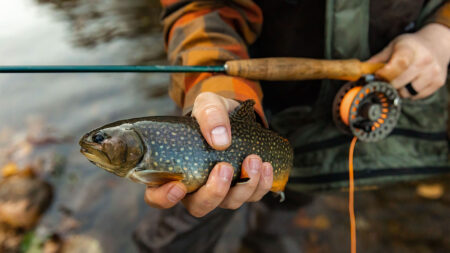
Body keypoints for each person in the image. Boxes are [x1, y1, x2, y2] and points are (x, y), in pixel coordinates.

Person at [133, 1, 450, 252]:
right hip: (232, 108)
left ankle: (264, 239)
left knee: (283, 208)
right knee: (188, 217)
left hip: (335, 129)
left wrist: (441, 32)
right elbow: (199, 7)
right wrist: (221, 90)